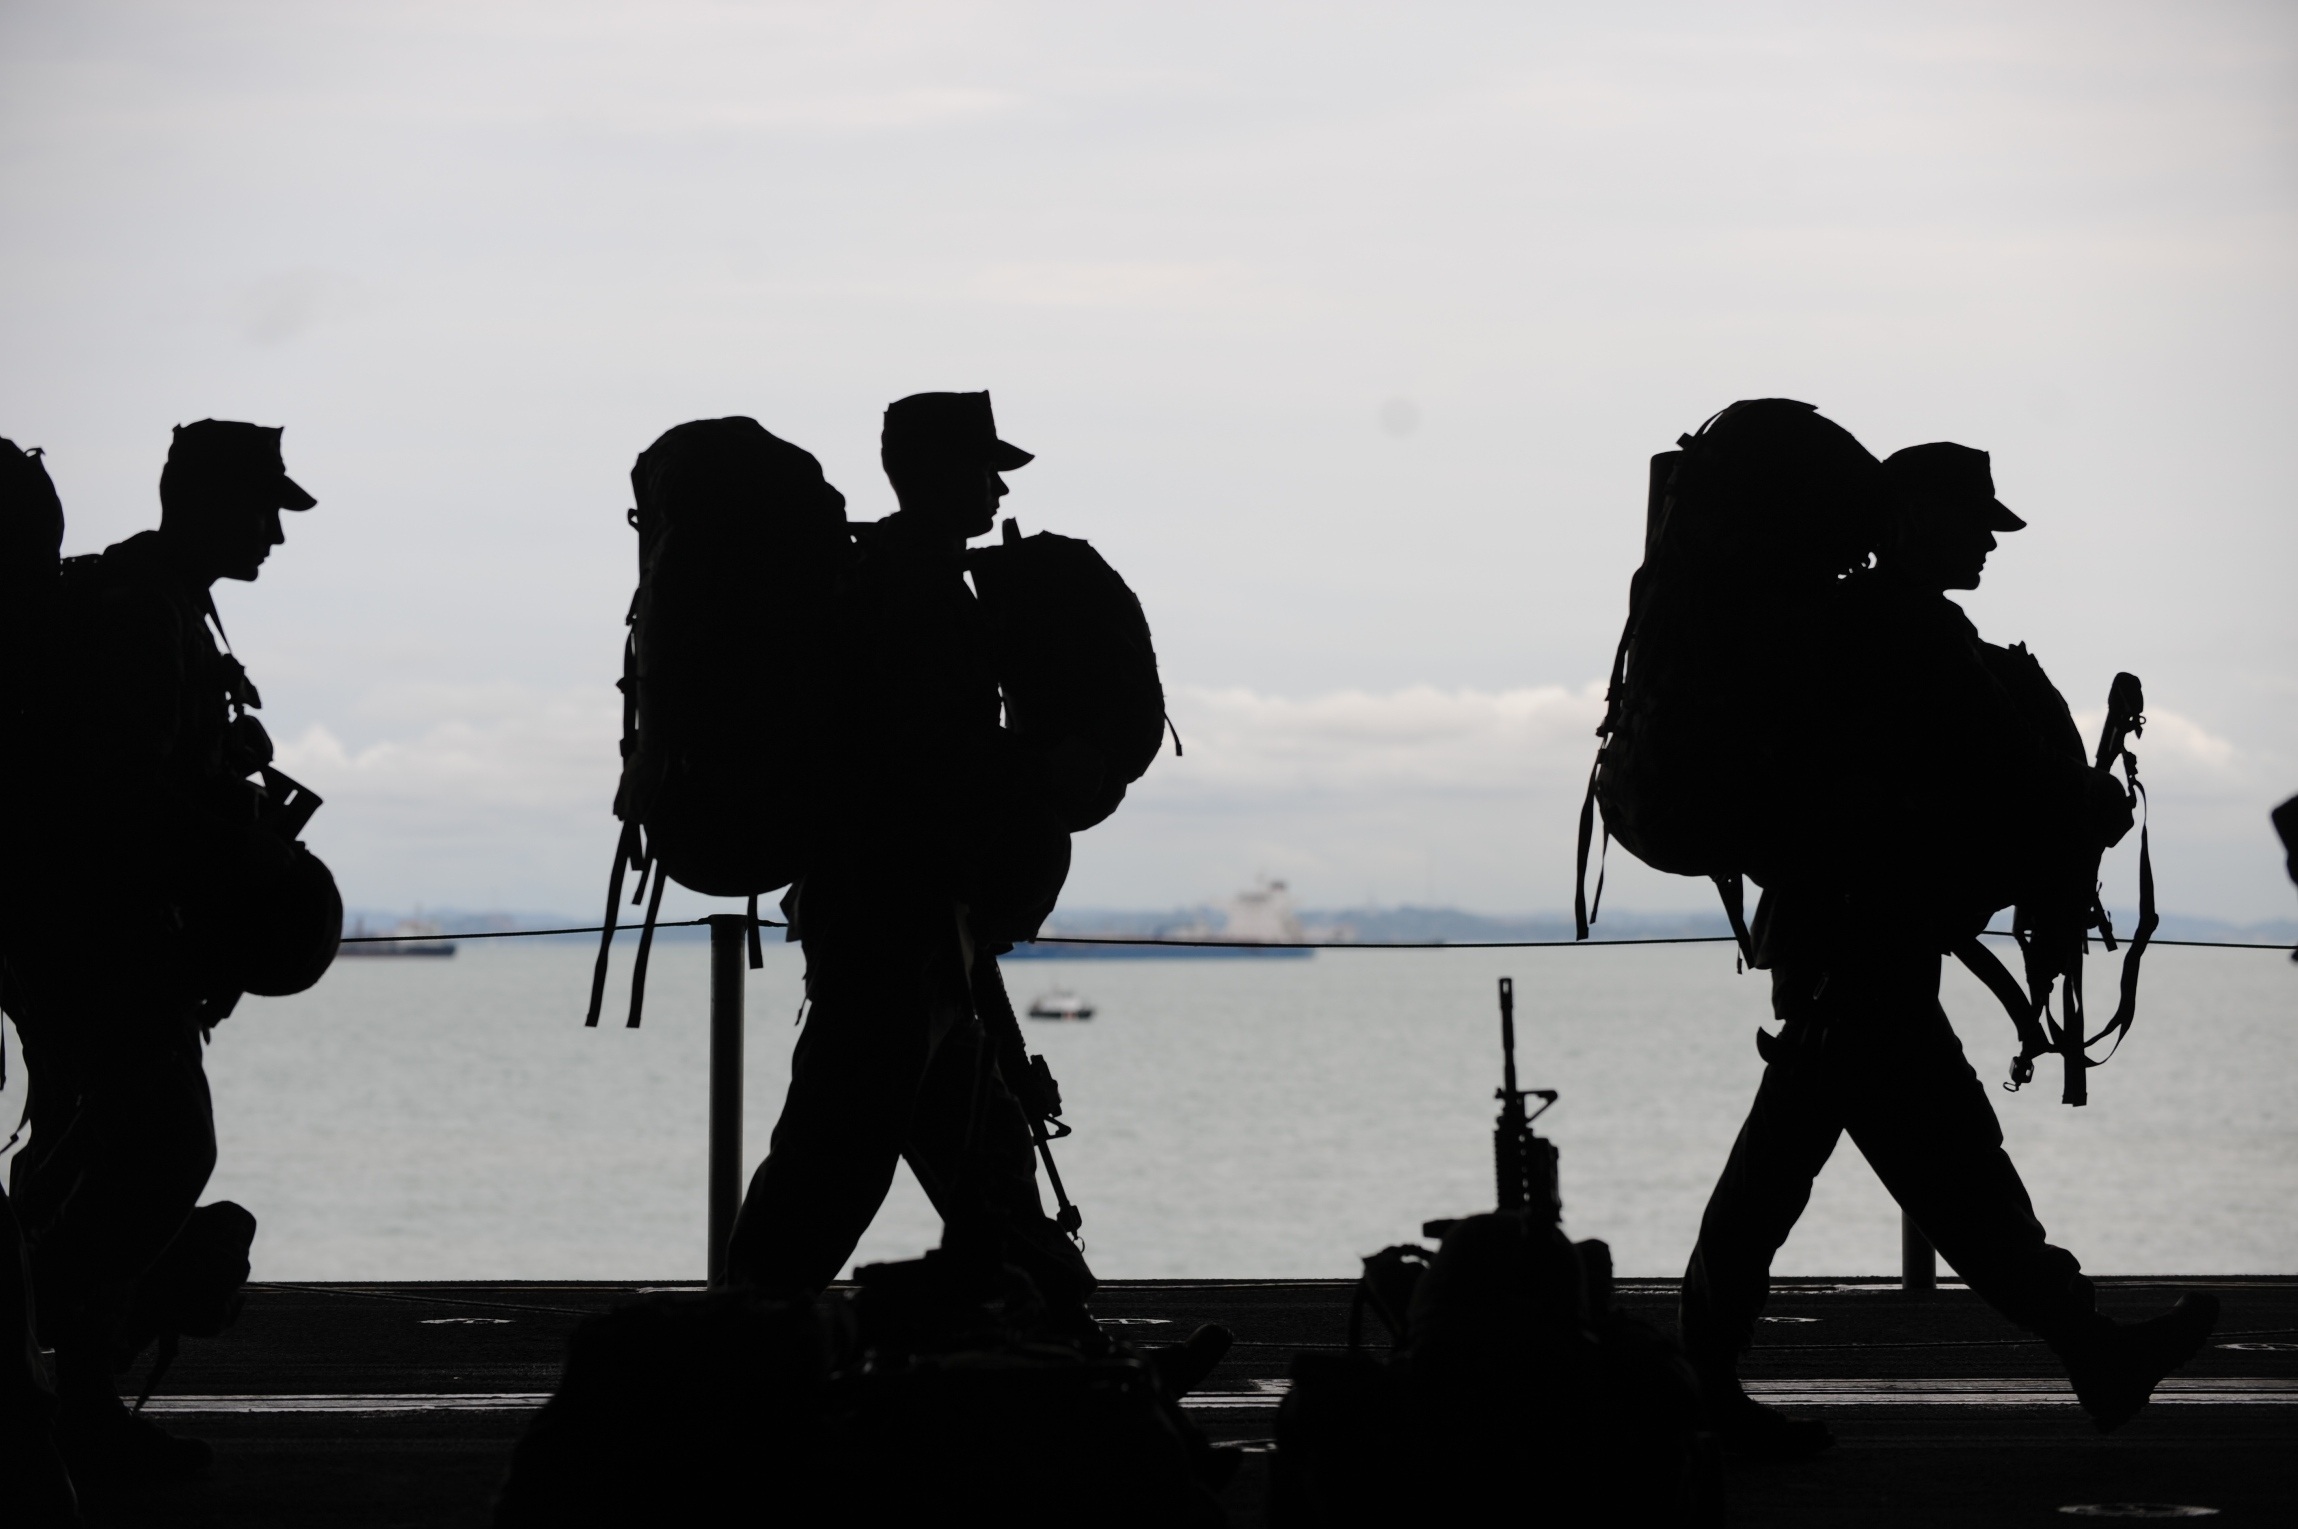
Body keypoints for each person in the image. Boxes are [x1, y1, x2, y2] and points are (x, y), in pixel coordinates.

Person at [1677, 440, 2219, 1456]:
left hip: (1840, 940)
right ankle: (2091, 1348)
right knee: (1950, 1170)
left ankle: (1702, 1374)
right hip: (1862, 946)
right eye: (1975, 521)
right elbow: (2008, 768)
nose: (1988, 542)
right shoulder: (1909, 629)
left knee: (1816, 1167)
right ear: (1914, 517)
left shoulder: (1859, 624)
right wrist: (2093, 803)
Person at [724, 392, 1095, 1327]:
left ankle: (1070, 1343)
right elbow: (926, 762)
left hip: (921, 928)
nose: (999, 489)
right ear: (933, 473)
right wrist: (1030, 774)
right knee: (835, 1163)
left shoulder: (912, 581)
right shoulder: (904, 593)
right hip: (889, 926)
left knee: (988, 1159)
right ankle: (735, 1348)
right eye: (985, 469)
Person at [1, 420, 313, 1482]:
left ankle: (70, 1406)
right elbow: (114, 797)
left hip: (82, 934)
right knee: (164, 1150)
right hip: (100, 935)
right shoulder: (143, 614)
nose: (275, 532)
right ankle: (62, 1381)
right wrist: (242, 852)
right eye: (263, 508)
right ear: (206, 502)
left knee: (87, 1152)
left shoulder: (161, 601)